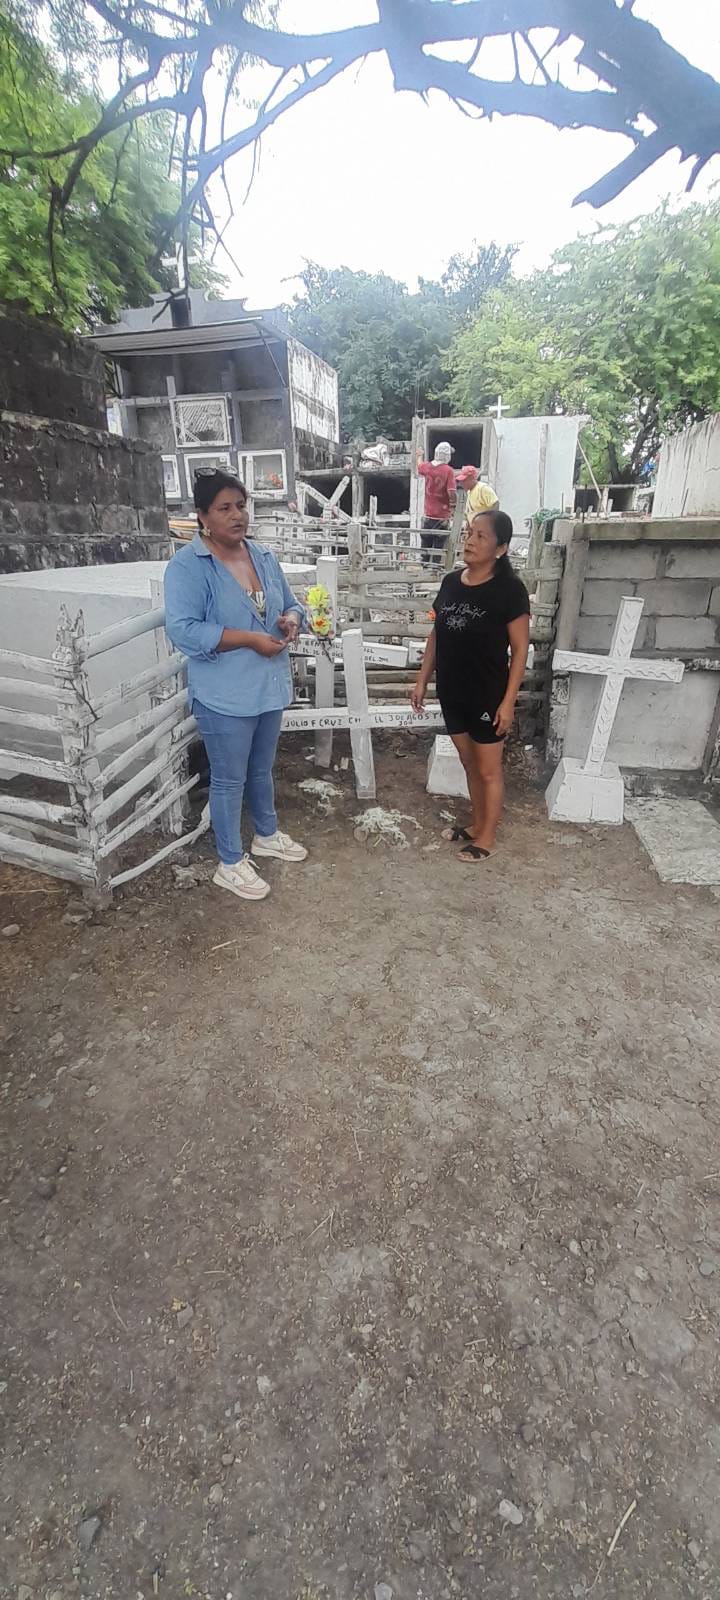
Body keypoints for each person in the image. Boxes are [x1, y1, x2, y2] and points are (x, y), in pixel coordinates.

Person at [163, 470, 307, 903]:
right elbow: (183, 630)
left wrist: (291, 620)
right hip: (224, 693)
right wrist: (248, 638)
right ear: (202, 516)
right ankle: (229, 862)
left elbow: (292, 603)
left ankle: (266, 834)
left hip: (268, 685)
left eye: (241, 506)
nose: (236, 515)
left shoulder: (261, 555)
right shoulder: (189, 567)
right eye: (224, 508)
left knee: (261, 769)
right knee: (228, 779)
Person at [411, 508, 530, 863]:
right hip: (452, 691)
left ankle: (488, 838)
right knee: (469, 763)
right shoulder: (451, 583)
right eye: (469, 533)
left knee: (488, 769)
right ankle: (478, 825)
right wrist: (422, 680)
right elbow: (436, 635)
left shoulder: (509, 591)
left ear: (500, 548)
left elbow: (520, 650)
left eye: (481, 536)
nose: (471, 541)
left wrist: (508, 702)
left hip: (487, 695)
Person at [417, 442, 457, 563]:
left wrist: (419, 455)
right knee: (438, 545)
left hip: (428, 515)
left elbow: (419, 465)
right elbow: (451, 492)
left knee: (425, 543)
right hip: (442, 517)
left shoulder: (427, 467)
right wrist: (454, 506)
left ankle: (424, 565)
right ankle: (434, 567)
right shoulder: (449, 471)